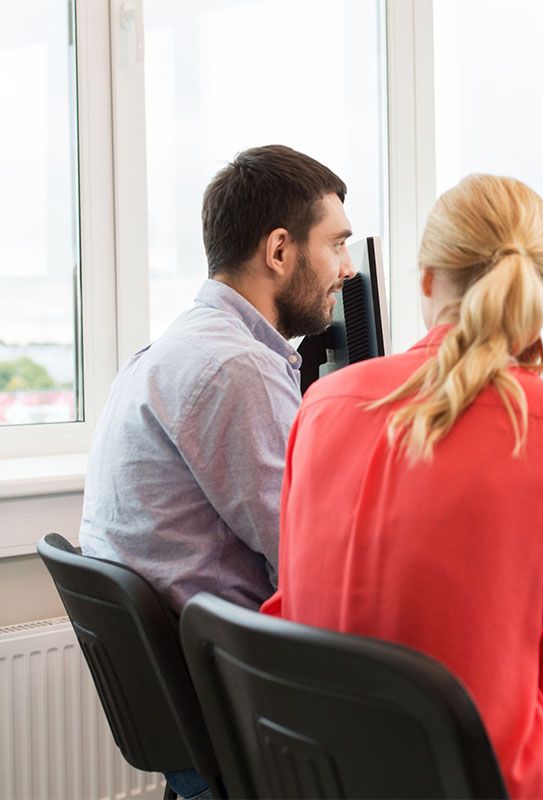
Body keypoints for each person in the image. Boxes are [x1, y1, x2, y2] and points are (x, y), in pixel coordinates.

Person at [262, 174, 543, 799]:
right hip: (479, 782)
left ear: (424, 282)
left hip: (327, 770)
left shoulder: (322, 401)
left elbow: (289, 601)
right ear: (542, 289)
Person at [79, 145, 355, 799]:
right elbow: (311, 571)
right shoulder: (237, 368)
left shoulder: (169, 350)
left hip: (201, 720)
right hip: (253, 725)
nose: (347, 270)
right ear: (280, 251)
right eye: (337, 245)